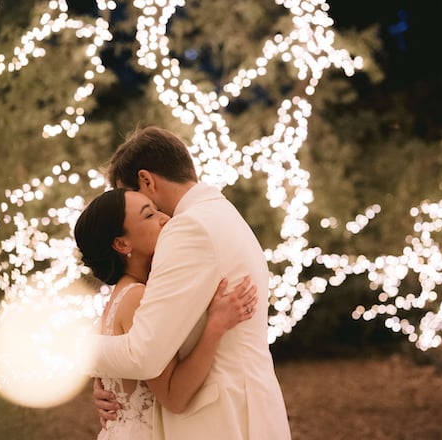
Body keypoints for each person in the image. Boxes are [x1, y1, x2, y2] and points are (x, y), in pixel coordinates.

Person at [89, 126, 292, 439]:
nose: (157, 217)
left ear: (146, 181)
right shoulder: (221, 213)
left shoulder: (189, 228)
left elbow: (144, 355)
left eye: (132, 197)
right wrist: (116, 382)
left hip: (219, 419)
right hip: (244, 406)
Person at [74, 188, 259, 439]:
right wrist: (216, 325)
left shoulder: (119, 298)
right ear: (121, 243)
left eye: (156, 209)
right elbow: (175, 396)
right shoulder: (138, 298)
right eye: (149, 215)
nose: (165, 218)